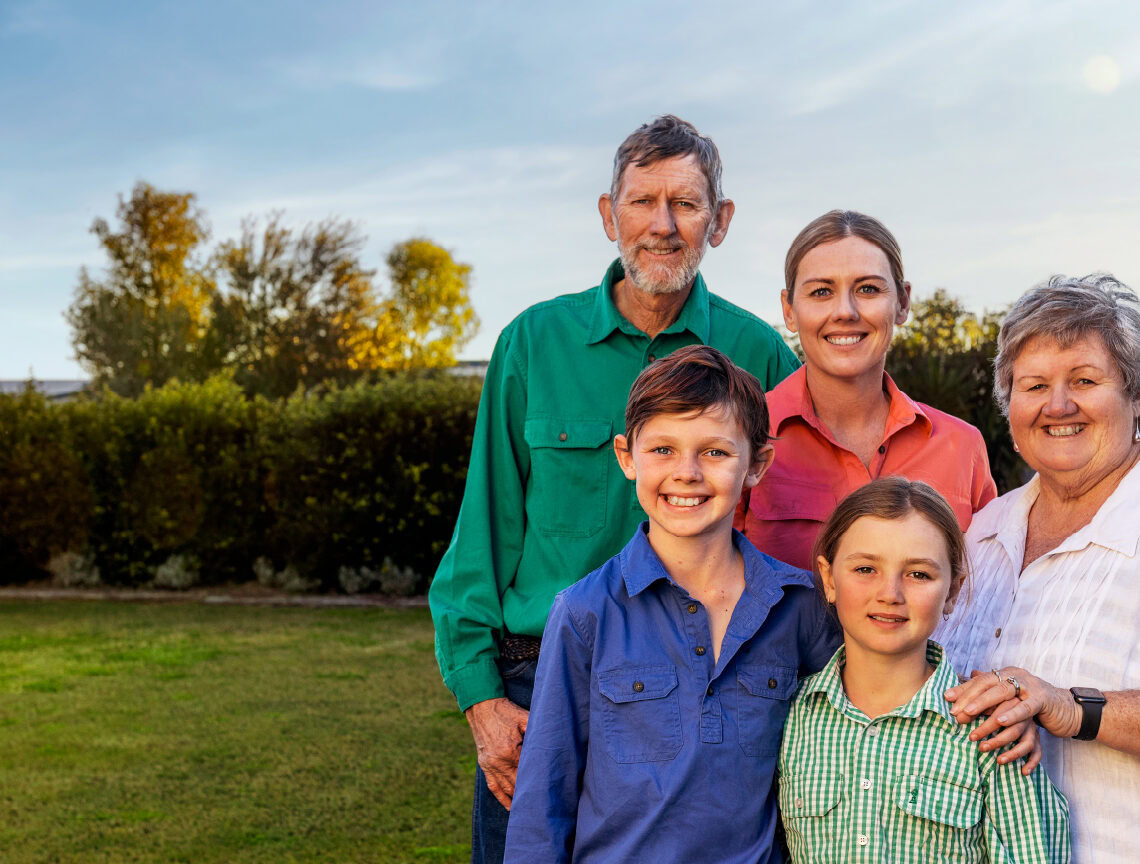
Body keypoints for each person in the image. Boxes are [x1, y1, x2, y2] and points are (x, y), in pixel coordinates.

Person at [428, 116, 800, 863]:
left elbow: (777, 525)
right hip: (533, 686)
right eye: (641, 202)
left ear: (719, 222)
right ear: (608, 215)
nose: (662, 227)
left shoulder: (759, 352)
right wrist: (481, 698)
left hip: (697, 685)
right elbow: (483, 530)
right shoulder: (532, 342)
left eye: (686, 205)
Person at [503, 346, 839, 863]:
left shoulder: (800, 607)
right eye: (662, 450)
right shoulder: (584, 612)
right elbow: (544, 797)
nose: (687, 472)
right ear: (626, 457)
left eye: (715, 452)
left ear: (757, 463)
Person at [937, 274, 1140, 862]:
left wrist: (1073, 708)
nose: (1058, 406)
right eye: (1034, 386)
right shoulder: (979, 535)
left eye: (1084, 380)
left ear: (1134, 397)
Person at [780, 477, 1070, 864]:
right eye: (866, 568)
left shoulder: (991, 731)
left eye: (918, 574)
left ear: (952, 591)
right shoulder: (791, 715)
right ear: (829, 579)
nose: (890, 593)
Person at [736, 210, 997, 571]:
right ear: (789, 309)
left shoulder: (961, 447)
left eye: (868, 289)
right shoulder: (741, 434)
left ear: (902, 303)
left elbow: (981, 596)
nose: (845, 311)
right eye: (821, 291)